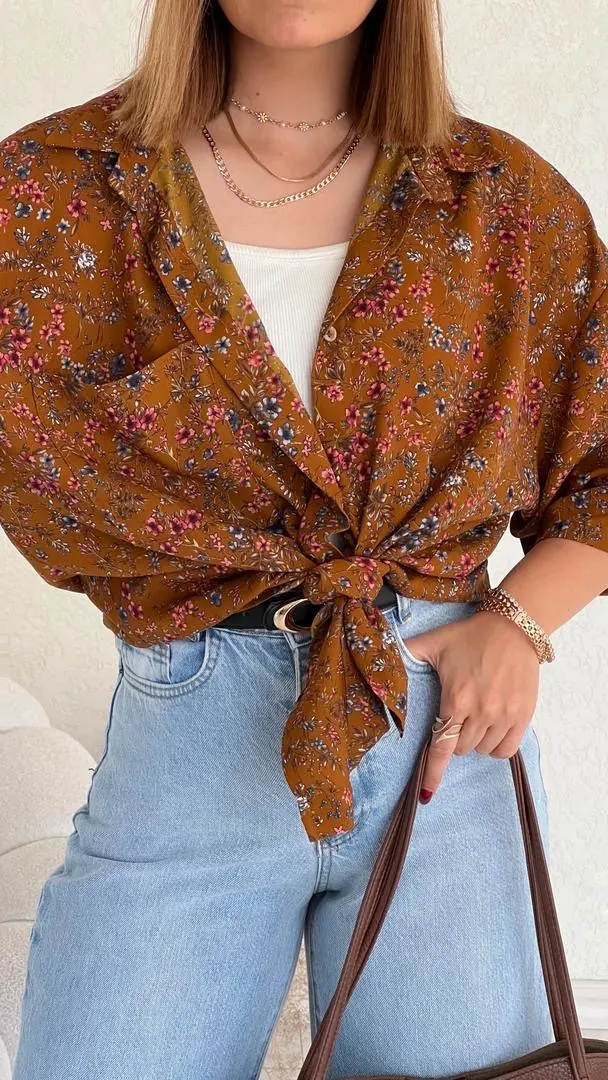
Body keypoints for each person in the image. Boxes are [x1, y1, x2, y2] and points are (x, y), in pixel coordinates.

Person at [2, 1, 607, 1077]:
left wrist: (519, 621)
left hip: (443, 742)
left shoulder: (502, 201)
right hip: (191, 738)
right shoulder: (53, 192)